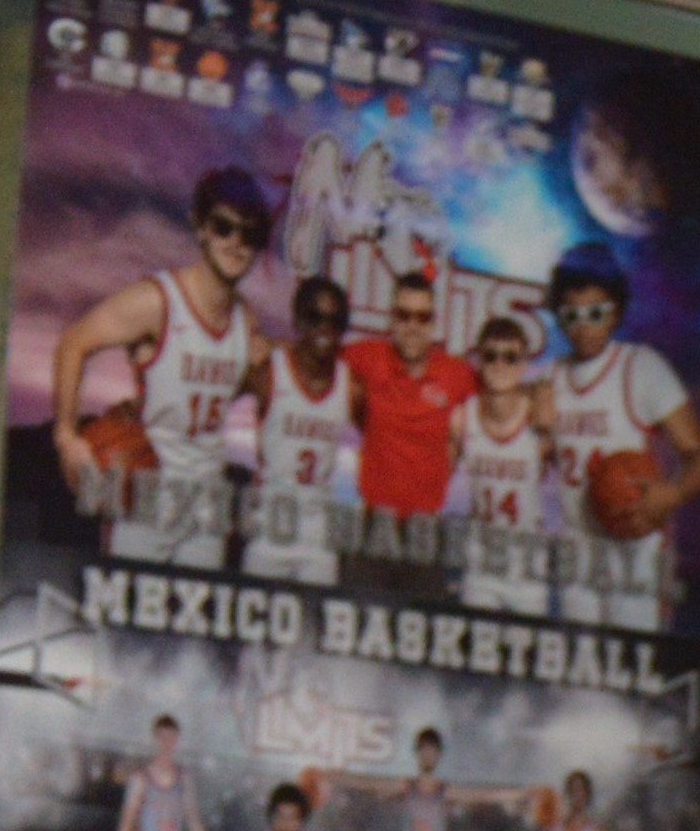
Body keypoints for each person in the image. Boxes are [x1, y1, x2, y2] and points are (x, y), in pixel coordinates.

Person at [47, 165, 271, 568]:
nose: (237, 243)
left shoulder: (246, 321)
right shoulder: (157, 302)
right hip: (144, 496)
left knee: (192, 627)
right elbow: (73, 341)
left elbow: (217, 389)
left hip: (204, 506)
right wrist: (66, 434)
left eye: (250, 234)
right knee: (122, 623)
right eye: (224, 227)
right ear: (201, 228)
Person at [544, 248, 700, 632]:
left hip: (633, 548)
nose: (584, 325)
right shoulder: (550, 378)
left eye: (596, 313)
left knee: (634, 669)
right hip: (577, 549)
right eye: (572, 315)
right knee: (575, 671)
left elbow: (699, 456)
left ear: (616, 312)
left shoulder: (641, 367)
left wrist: (672, 493)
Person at [239, 274, 361, 589]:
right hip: (268, 527)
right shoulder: (268, 372)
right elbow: (213, 397)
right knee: (257, 635)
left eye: (335, 321)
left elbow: (381, 440)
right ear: (297, 320)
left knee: (309, 635)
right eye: (315, 317)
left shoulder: (351, 386)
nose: (325, 328)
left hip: (317, 535)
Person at [340, 272, 478, 541]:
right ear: (391, 318)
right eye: (404, 315)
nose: (412, 325)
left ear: (434, 323)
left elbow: (502, 392)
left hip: (426, 526)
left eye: (422, 317)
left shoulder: (456, 373)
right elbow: (308, 356)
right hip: (373, 522)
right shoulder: (368, 357)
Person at [447, 313, 555, 617]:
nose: (500, 365)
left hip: (528, 568)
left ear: (524, 364)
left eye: (510, 357)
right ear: (479, 360)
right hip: (480, 565)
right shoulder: (463, 417)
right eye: (491, 355)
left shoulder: (541, 417)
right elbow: (436, 475)